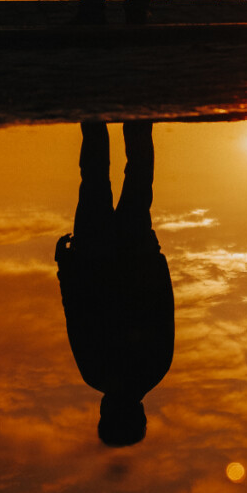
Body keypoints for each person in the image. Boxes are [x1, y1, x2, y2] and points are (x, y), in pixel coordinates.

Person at [55, 122, 174, 446]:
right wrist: (65, 266)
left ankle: (136, 118)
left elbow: (163, 303)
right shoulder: (96, 372)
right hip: (99, 254)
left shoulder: (154, 367)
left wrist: (154, 256)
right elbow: (76, 311)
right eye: (105, 415)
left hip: (129, 253)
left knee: (135, 177)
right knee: (96, 176)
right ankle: (100, 112)